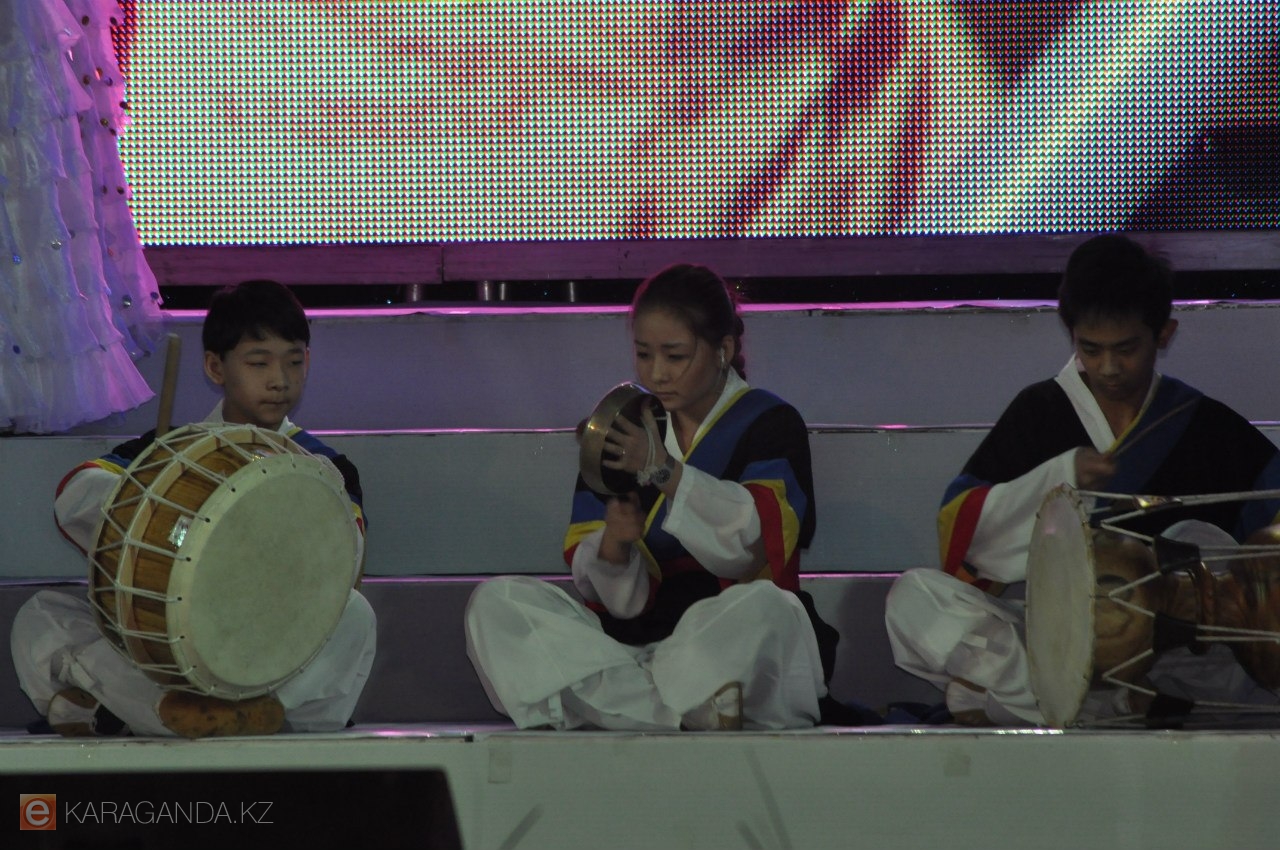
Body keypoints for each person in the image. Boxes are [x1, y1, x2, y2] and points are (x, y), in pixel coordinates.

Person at [884, 233, 1280, 725]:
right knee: (915, 599)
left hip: (1172, 659)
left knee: (1198, 540)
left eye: (1126, 349)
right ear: (1070, 332)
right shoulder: (1040, 413)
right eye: (1091, 349)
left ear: (1164, 333)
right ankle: (1106, 706)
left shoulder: (1205, 425)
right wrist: (1059, 477)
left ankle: (1034, 702)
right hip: (1057, 640)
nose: (1108, 368)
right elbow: (968, 535)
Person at [465, 263, 832, 730]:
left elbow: (748, 547)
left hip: (717, 641)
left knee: (767, 609)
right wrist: (615, 548)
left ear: (723, 349)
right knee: (499, 603)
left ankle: (631, 704)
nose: (657, 374)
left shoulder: (770, 423)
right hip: (631, 646)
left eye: (675, 356)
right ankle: (683, 706)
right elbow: (616, 601)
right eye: (643, 354)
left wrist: (663, 470)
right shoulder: (623, 425)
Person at [11, 280, 377, 737]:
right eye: (259, 362)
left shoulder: (323, 465)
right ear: (215, 367)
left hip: (267, 641)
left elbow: (344, 561)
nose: (280, 380)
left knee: (355, 615)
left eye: (294, 361)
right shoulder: (170, 448)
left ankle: (142, 714)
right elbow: (76, 496)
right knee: (42, 615)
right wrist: (168, 501)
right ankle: (187, 714)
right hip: (168, 637)